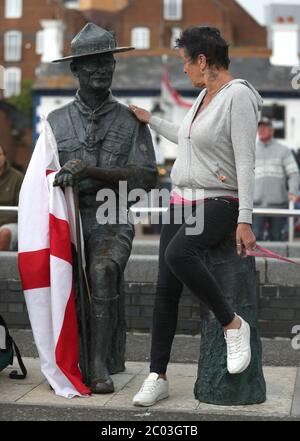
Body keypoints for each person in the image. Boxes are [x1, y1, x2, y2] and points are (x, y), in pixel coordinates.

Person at [129, 26, 263, 407]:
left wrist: (246, 218)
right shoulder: (205, 96)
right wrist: (150, 119)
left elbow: (246, 161)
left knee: (178, 254)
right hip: (181, 200)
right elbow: (188, 139)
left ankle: (232, 324)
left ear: (202, 60)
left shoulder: (237, 97)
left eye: (184, 63)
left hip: (220, 201)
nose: (182, 71)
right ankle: (158, 376)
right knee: (164, 290)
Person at [49, 23, 157, 394]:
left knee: (103, 267)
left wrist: (91, 171)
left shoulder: (130, 120)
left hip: (112, 216)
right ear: (75, 70)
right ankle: (67, 355)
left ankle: (98, 363)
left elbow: (146, 177)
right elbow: (42, 178)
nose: (100, 69)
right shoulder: (55, 121)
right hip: (68, 218)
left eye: (106, 61)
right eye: (91, 63)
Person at [252, 117, 300, 241]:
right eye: (259, 127)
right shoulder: (251, 150)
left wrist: (293, 191)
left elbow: (294, 173)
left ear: (272, 130)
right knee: (254, 240)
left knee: (277, 238)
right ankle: (257, 262)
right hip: (255, 206)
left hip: (278, 206)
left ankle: (275, 261)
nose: (261, 130)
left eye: (265, 127)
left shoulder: (283, 151)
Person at [0, 143, 23, 251]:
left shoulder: (17, 178)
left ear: (4, 156)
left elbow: (22, 209)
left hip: (11, 223)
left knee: (5, 233)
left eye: (0, 154)